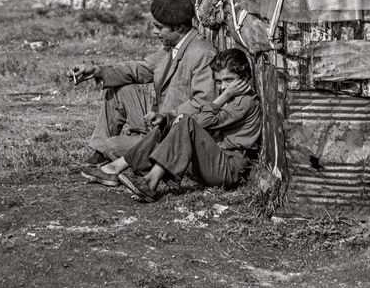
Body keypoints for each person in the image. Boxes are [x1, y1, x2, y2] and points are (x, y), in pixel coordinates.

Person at [86, 48, 261, 203]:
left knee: (186, 122)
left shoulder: (244, 101)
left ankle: (150, 181)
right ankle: (116, 167)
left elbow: (202, 121)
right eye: (219, 82)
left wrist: (224, 96)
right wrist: (167, 119)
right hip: (211, 159)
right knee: (171, 122)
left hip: (227, 168)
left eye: (229, 80)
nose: (223, 87)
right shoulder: (230, 97)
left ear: (244, 78)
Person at [70, 0, 217, 171]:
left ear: (178, 28)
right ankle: (100, 154)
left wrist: (168, 116)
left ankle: (146, 157)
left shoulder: (202, 53)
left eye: (159, 27)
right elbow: (142, 68)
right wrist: (98, 71)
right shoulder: (173, 48)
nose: (154, 32)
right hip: (157, 119)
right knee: (119, 90)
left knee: (113, 146)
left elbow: (203, 103)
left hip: (173, 133)